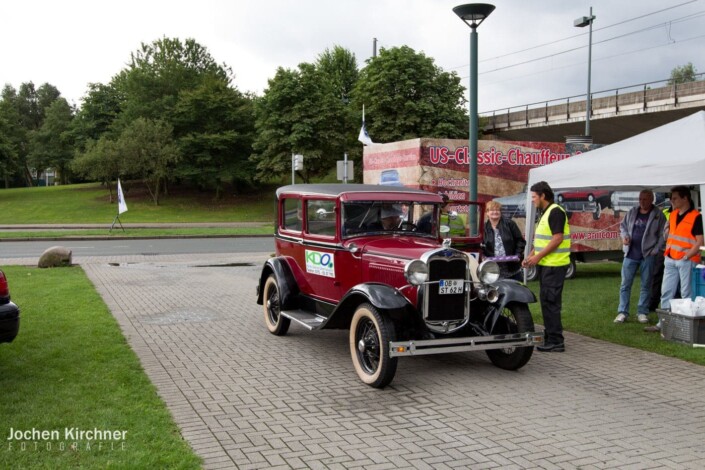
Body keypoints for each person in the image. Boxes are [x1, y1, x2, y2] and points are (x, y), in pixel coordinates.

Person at [645, 186, 704, 332]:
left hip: (686, 260)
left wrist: (688, 255)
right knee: (666, 291)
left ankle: (686, 326)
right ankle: (663, 323)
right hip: (670, 258)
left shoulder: (696, 216)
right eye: (671, 198)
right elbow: (671, 235)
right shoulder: (673, 214)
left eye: (675, 197)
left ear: (685, 198)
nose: (672, 200)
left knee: (686, 293)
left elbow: (699, 241)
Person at [522, 181, 570, 352]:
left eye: (534, 197)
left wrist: (538, 257)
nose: (533, 200)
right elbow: (544, 240)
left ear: (543, 195)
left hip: (554, 266)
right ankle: (550, 335)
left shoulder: (555, 212)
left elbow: (557, 239)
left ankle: (556, 341)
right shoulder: (546, 211)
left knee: (551, 302)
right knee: (546, 301)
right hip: (546, 265)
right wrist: (531, 255)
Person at [614, 190, 666, 324]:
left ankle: (642, 312)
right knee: (625, 284)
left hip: (647, 255)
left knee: (646, 285)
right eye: (640, 199)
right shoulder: (632, 212)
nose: (642, 202)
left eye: (645, 199)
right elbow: (623, 227)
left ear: (652, 200)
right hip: (630, 254)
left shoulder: (658, 215)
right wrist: (624, 236)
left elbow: (663, 234)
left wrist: (655, 250)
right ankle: (622, 312)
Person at [482, 200, 526, 281]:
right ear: (487, 213)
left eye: (497, 210)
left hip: (511, 267)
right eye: (492, 210)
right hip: (492, 268)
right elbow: (480, 245)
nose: (495, 212)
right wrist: (483, 257)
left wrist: (517, 255)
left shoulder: (510, 224)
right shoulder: (483, 228)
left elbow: (520, 241)